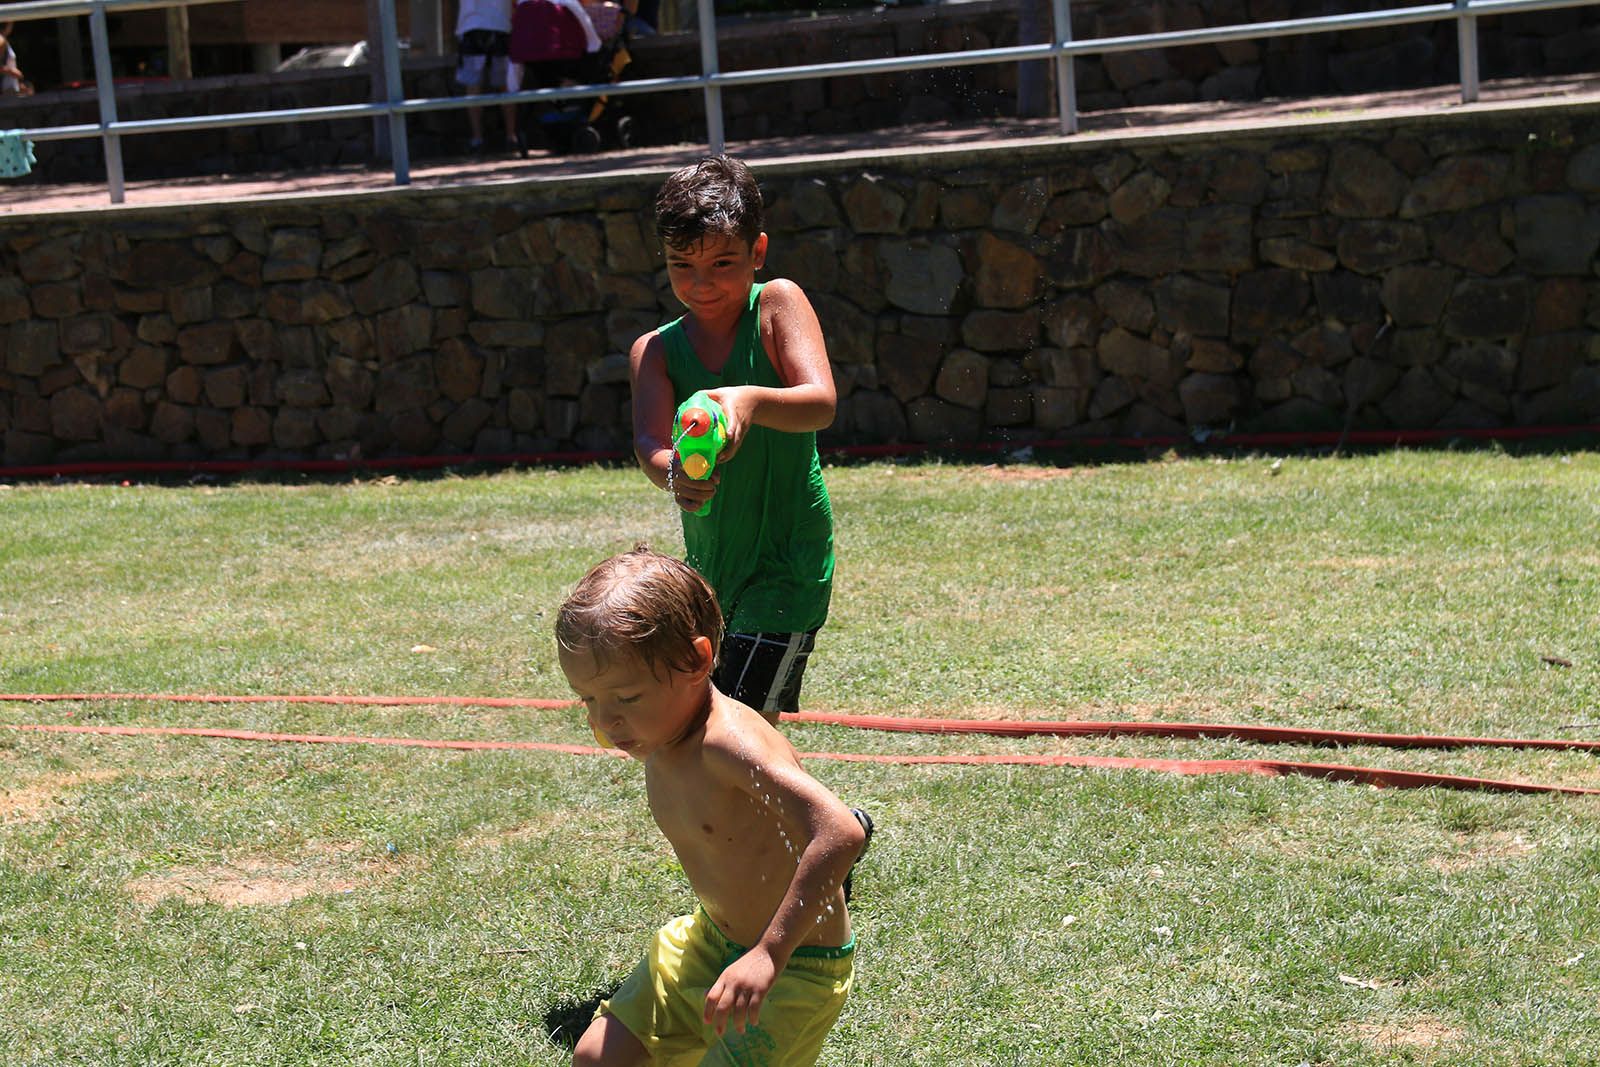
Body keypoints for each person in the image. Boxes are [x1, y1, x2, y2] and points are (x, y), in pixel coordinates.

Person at [557, 546, 865, 1067]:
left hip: (794, 967)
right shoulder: (664, 733)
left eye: (626, 699)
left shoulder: (726, 745)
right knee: (597, 1057)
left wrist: (768, 955)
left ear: (698, 661)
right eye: (588, 700)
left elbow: (840, 830)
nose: (607, 721)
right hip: (706, 941)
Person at [628, 155, 838, 722]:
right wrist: (674, 470)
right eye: (682, 265)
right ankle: (802, 814)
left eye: (723, 262)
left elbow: (819, 402)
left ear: (758, 252)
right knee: (721, 725)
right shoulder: (656, 350)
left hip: (787, 562)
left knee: (740, 723)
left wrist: (748, 400)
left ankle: (826, 818)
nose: (702, 284)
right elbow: (650, 442)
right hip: (711, 570)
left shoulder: (776, 305)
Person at [453, 0, 521, 153]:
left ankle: (478, 139)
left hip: (472, 27)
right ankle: (511, 136)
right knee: (505, 84)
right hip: (500, 26)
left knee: (473, 85)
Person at [1, 21, 29, 97]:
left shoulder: (3, 40)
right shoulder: (1, 40)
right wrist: (11, 71)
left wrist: (18, 83)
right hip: (4, 89)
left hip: (9, 88)